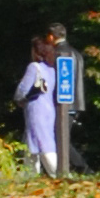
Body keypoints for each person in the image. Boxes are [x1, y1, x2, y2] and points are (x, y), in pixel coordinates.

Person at [14, 23, 69, 177]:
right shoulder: (51, 70)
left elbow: (21, 91)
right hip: (49, 109)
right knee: (33, 142)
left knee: (41, 142)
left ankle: (58, 174)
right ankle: (29, 175)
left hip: (35, 109)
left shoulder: (34, 67)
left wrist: (19, 99)